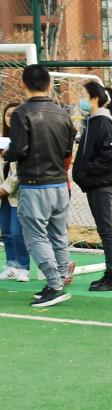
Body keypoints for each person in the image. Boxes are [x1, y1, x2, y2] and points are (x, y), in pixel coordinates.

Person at [1, 65, 76, 307]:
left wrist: (6, 153)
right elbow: (67, 149)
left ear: (23, 84)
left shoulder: (22, 113)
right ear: (49, 84)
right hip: (59, 184)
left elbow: (20, 149)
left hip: (35, 184)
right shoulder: (62, 113)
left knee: (35, 237)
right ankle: (59, 279)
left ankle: (55, 286)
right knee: (58, 235)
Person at [71, 81, 112, 291]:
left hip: (101, 183)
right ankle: (110, 273)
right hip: (94, 183)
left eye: (83, 95)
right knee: (104, 229)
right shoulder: (92, 121)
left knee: (106, 229)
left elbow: (111, 156)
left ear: (94, 98)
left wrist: (86, 169)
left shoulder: (102, 121)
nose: (80, 99)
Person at [0, 102, 30, 282]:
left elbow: (19, 170)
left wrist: (5, 188)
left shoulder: (22, 140)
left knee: (17, 232)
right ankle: (11, 265)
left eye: (14, 114)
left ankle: (24, 267)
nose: (10, 118)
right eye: (8, 114)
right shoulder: (2, 139)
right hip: (2, 196)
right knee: (6, 231)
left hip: (16, 195)